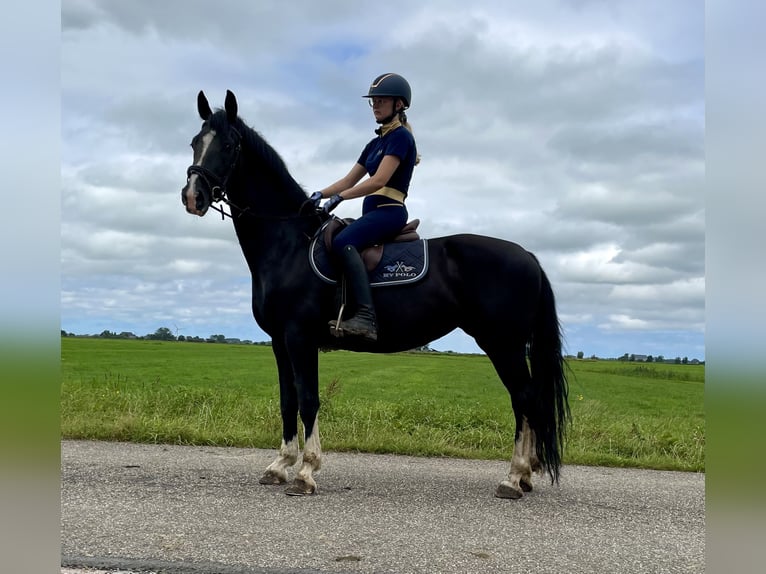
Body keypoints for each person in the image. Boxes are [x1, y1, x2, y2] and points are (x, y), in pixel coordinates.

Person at [310, 73, 419, 342]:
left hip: (390, 211)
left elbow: (379, 180)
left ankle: (365, 316)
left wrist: (341, 198)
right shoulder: (373, 144)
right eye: (373, 101)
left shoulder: (401, 138)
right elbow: (348, 179)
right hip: (372, 214)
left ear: (399, 104)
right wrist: (319, 194)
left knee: (344, 241)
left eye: (381, 100)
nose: (376, 106)